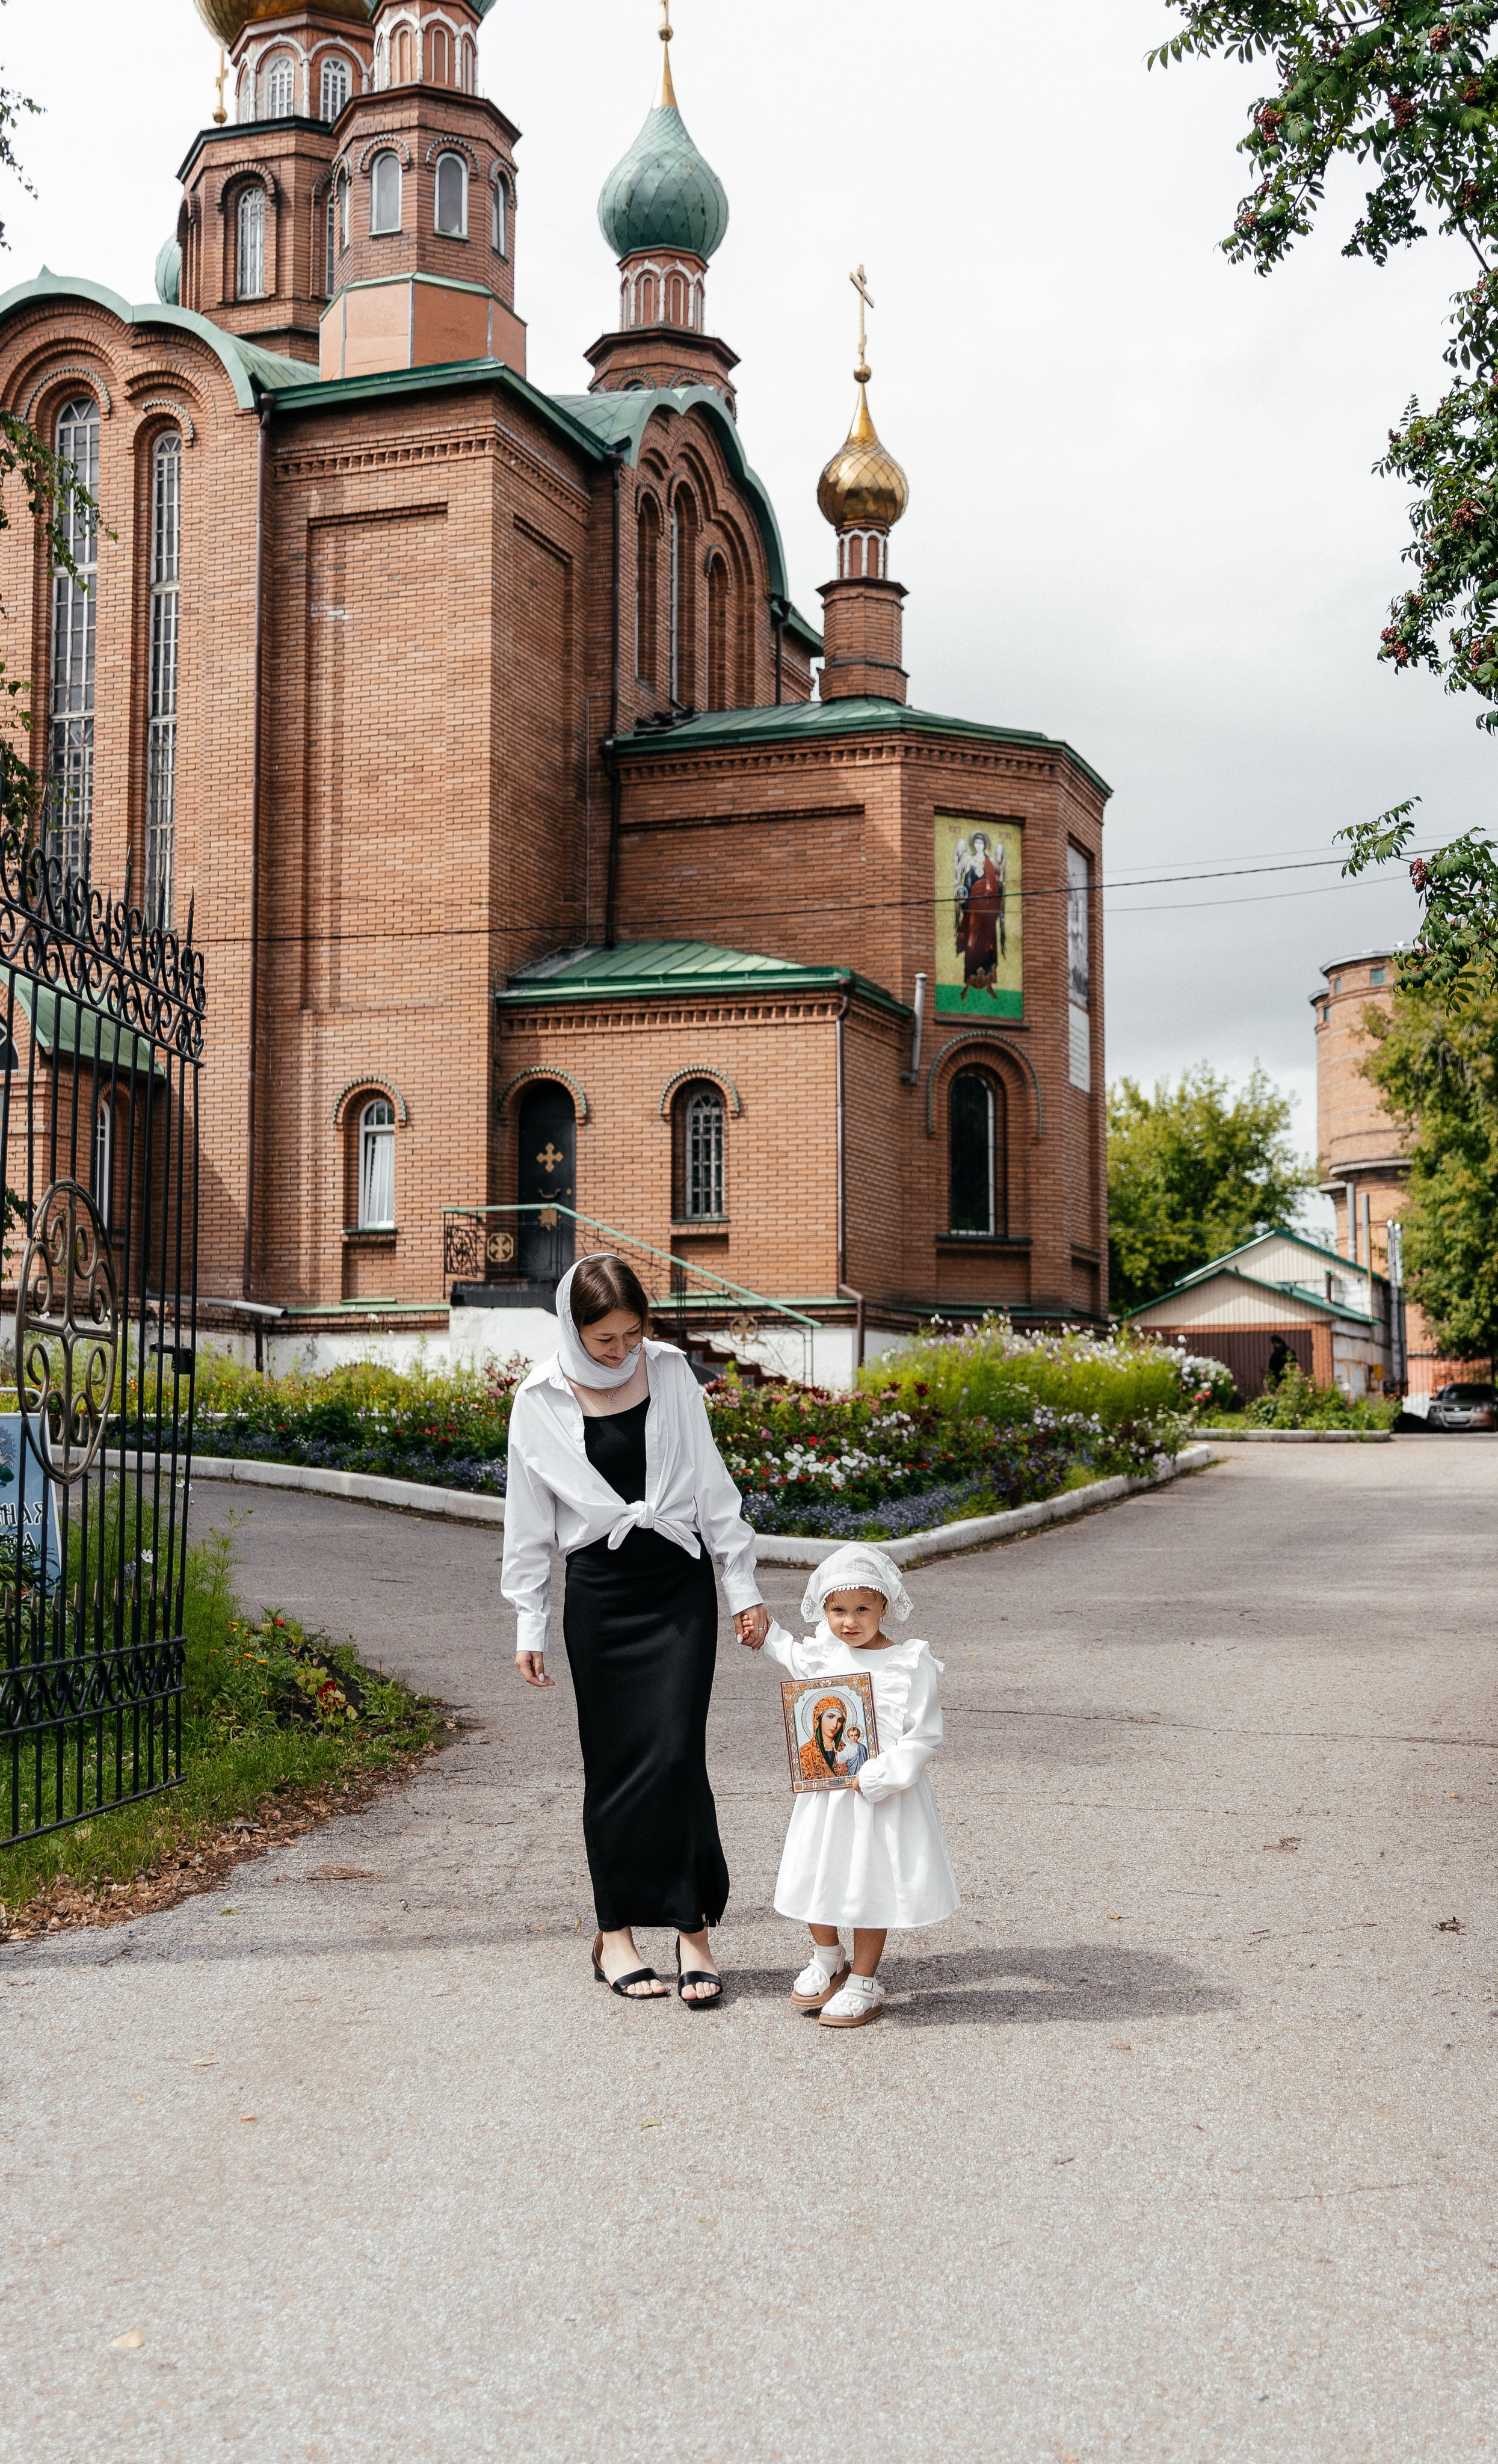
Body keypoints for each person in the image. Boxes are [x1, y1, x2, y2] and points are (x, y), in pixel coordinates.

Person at [504, 1254, 769, 2006]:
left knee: (678, 1756)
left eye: (632, 1334)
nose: (622, 1351)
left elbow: (713, 1485)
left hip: (677, 1584)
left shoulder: (673, 1372)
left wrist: (742, 1585)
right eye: (605, 1339)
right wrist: (530, 1619)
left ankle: (692, 1928)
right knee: (615, 1764)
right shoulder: (538, 1397)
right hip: (602, 1595)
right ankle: (614, 1931)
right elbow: (528, 1520)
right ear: (573, 1328)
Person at [742, 1544, 960, 2030]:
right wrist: (760, 1624)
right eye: (837, 1610)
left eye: (863, 1608)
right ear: (824, 1611)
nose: (849, 1621)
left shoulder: (909, 1662)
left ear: (885, 1606)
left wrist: (882, 1775)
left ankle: (864, 1978)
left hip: (880, 1797)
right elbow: (787, 1651)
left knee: (868, 1880)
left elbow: (924, 1736)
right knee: (817, 1869)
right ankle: (827, 1955)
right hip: (826, 1796)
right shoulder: (824, 1653)